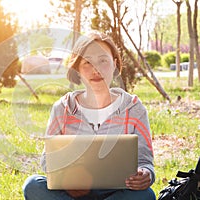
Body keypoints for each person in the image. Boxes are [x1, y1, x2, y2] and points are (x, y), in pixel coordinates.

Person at [22, 31, 156, 200]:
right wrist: (67, 176)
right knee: (33, 186)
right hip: (72, 192)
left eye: (103, 61)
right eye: (87, 63)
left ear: (114, 64)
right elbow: (47, 162)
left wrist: (146, 175)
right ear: (77, 68)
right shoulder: (61, 109)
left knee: (145, 195)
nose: (96, 69)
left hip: (116, 193)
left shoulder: (134, 109)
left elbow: (145, 162)